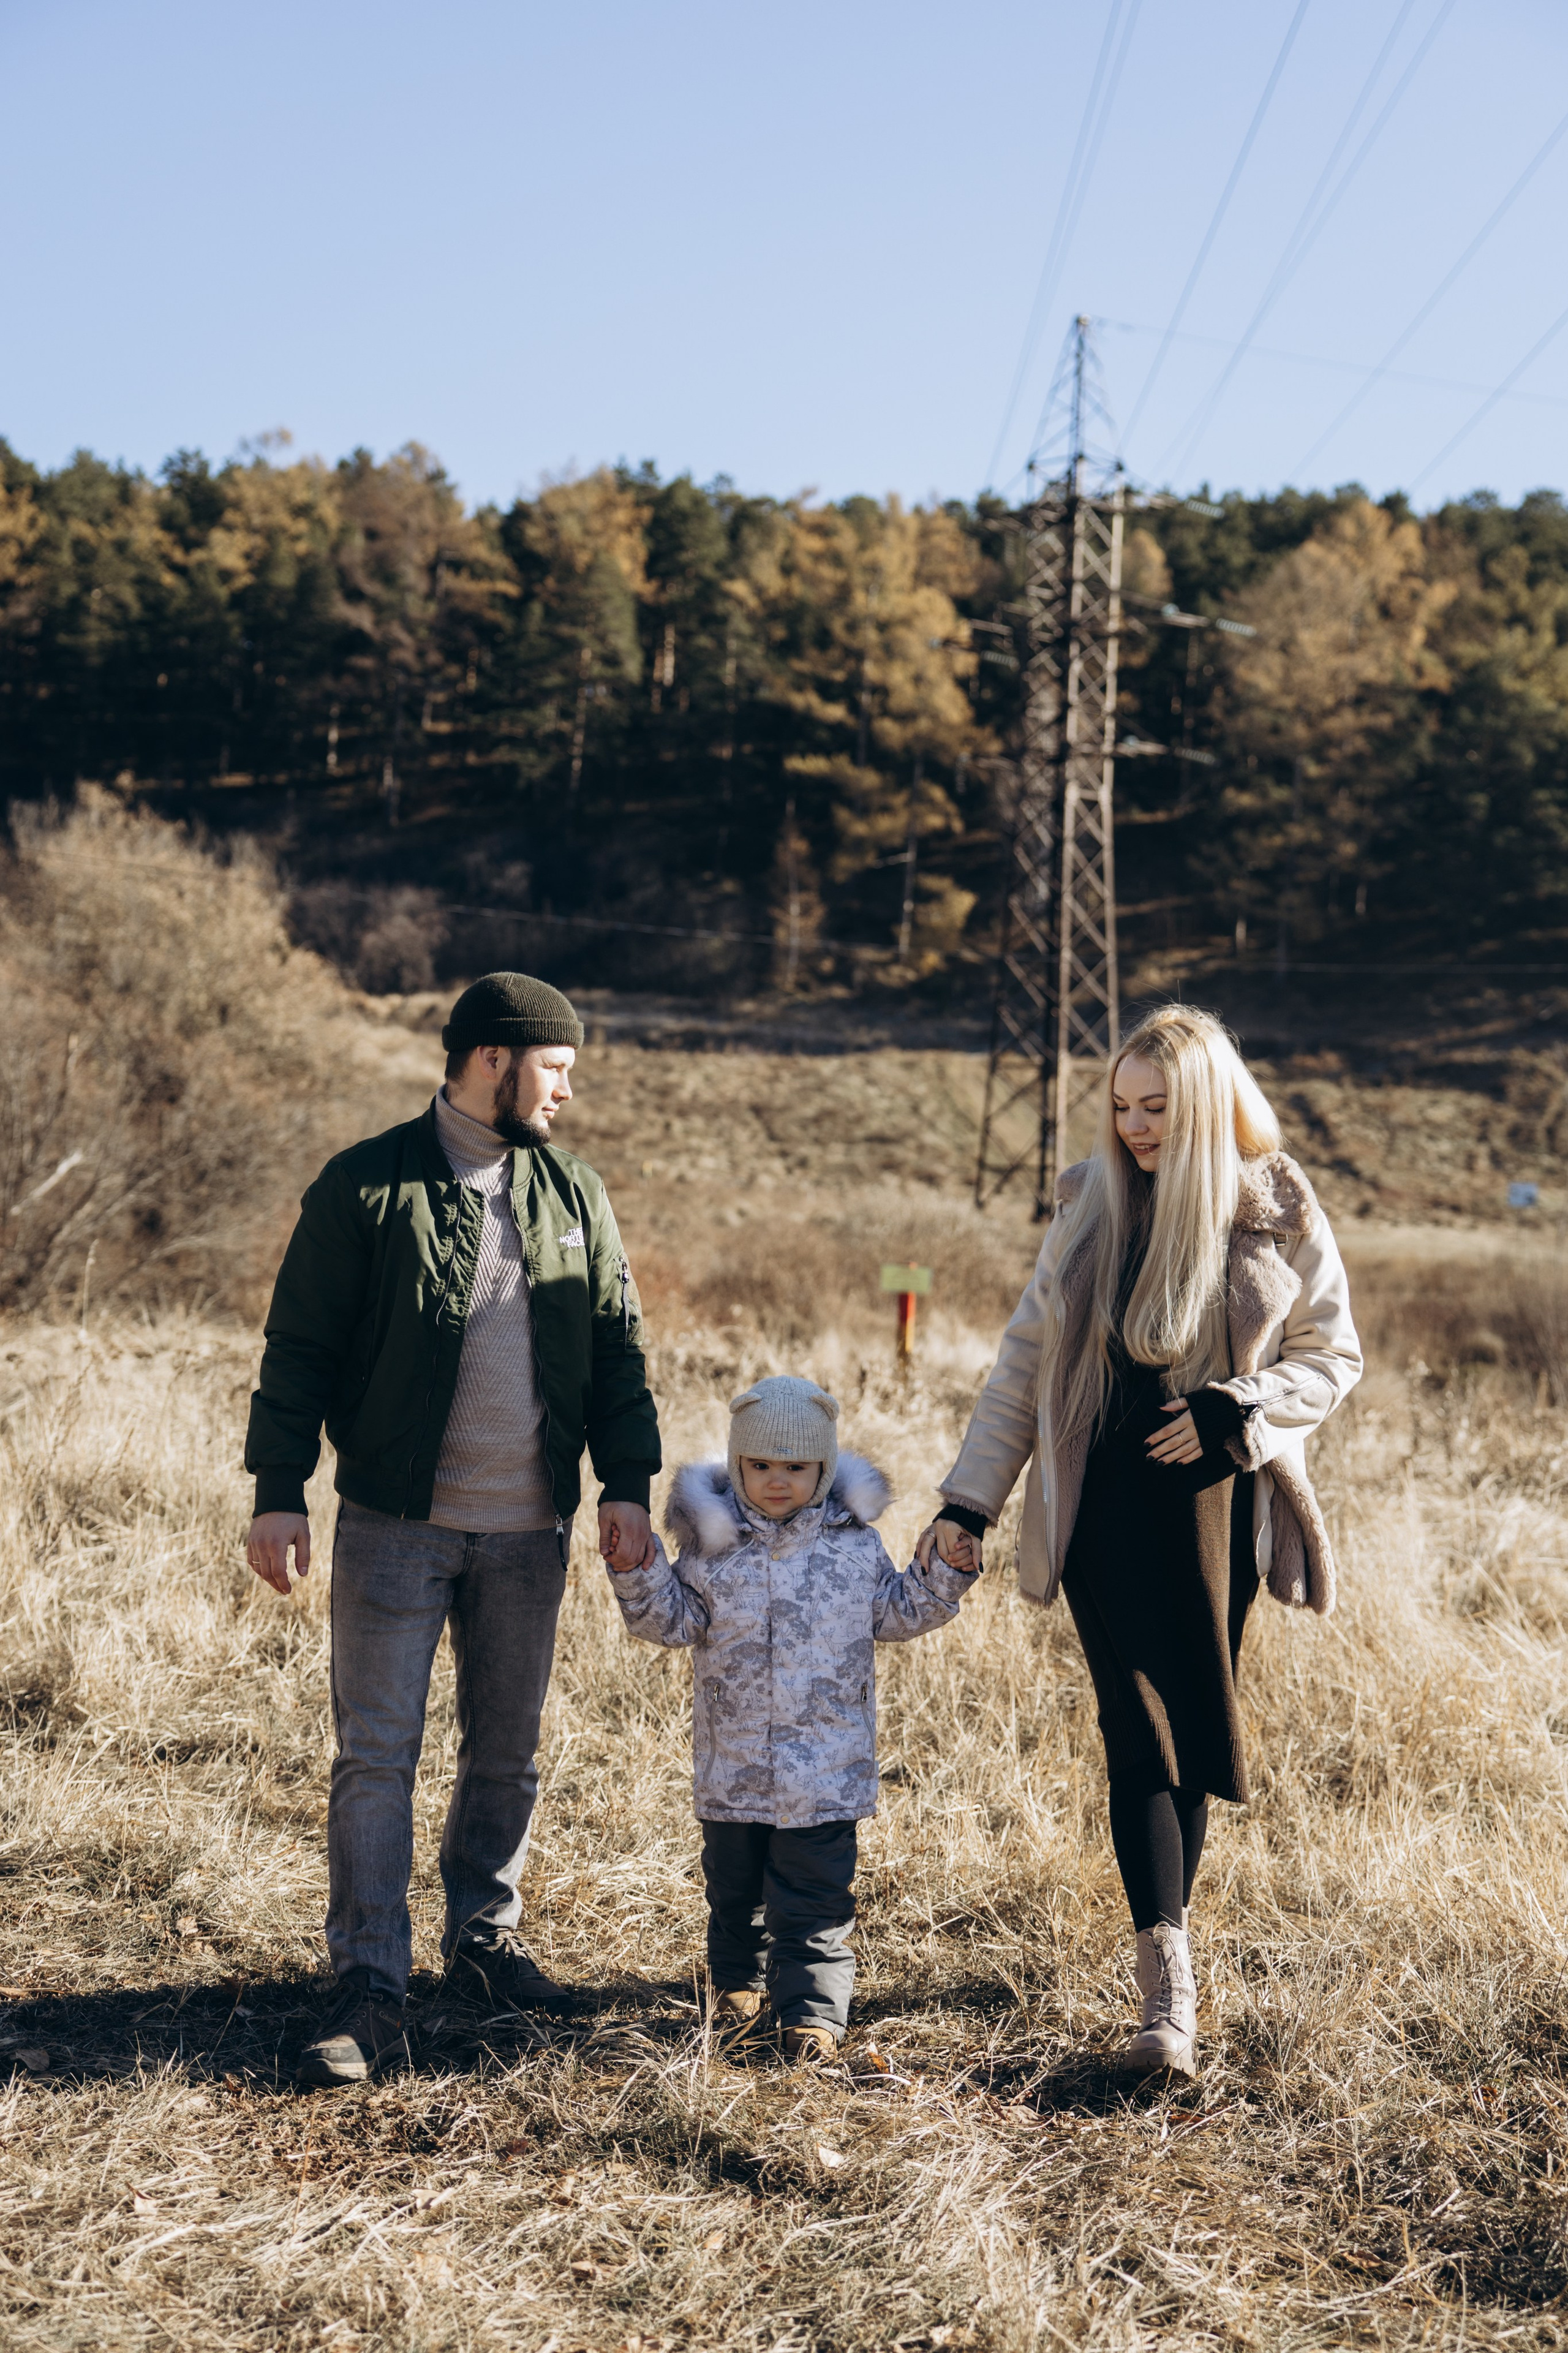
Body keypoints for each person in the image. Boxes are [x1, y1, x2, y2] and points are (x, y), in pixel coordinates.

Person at [919, 1004, 1360, 2080]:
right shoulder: (1089, 1201)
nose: (1135, 1128)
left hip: (1215, 1505)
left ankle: (1171, 1964)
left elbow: (1333, 1354)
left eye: (1156, 1108)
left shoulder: (1277, 1201)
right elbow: (1024, 1366)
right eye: (1120, 1108)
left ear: (1206, 1102)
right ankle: (1168, 2003)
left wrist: (1239, 1407)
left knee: (1196, 1731)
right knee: (1140, 1730)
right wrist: (969, 1502)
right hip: (1103, 1504)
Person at [244, 971, 662, 2088]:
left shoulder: (575, 1194)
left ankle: (482, 1944)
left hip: (530, 1534)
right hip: (394, 1526)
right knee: (375, 1758)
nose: (569, 1090)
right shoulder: (364, 1186)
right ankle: (370, 1987)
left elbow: (619, 1348)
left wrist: (628, 1479)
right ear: (495, 1059)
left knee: (507, 1755)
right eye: (558, 1067)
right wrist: (277, 1485)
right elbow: (300, 1348)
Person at [606, 1375, 980, 2063]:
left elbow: (897, 1613)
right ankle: (735, 1984)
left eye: (796, 1468)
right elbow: (671, 1620)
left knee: (815, 1900)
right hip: (733, 1770)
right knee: (734, 1893)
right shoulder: (712, 1551)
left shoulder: (853, 1547)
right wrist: (639, 1570)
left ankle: (811, 2013)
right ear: (737, 1464)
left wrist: (944, 1577)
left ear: (824, 1469)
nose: (777, 1482)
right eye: (760, 1466)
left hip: (826, 1774)